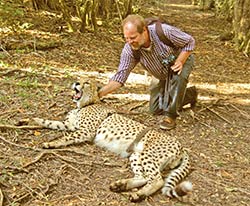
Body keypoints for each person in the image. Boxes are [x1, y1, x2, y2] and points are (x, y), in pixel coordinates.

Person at [98, 14, 197, 130]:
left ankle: (170, 117)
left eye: (133, 37)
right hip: (160, 72)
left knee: (178, 79)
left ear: (144, 30)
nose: (130, 42)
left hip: (179, 62)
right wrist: (98, 94)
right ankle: (190, 95)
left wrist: (180, 60)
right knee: (155, 109)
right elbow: (120, 76)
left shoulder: (164, 31)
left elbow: (190, 41)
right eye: (126, 38)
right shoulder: (129, 49)